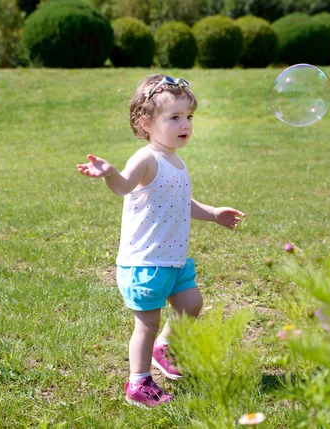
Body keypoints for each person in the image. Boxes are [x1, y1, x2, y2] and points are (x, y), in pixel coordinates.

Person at [77, 74, 246, 407]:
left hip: (173, 258)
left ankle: (163, 348)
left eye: (189, 117)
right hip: (146, 261)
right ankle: (138, 383)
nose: (185, 124)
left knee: (191, 304)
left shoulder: (177, 162)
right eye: (175, 117)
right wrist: (109, 173)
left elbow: (181, 201)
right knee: (148, 321)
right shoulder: (147, 158)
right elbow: (123, 186)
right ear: (146, 122)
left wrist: (213, 213)